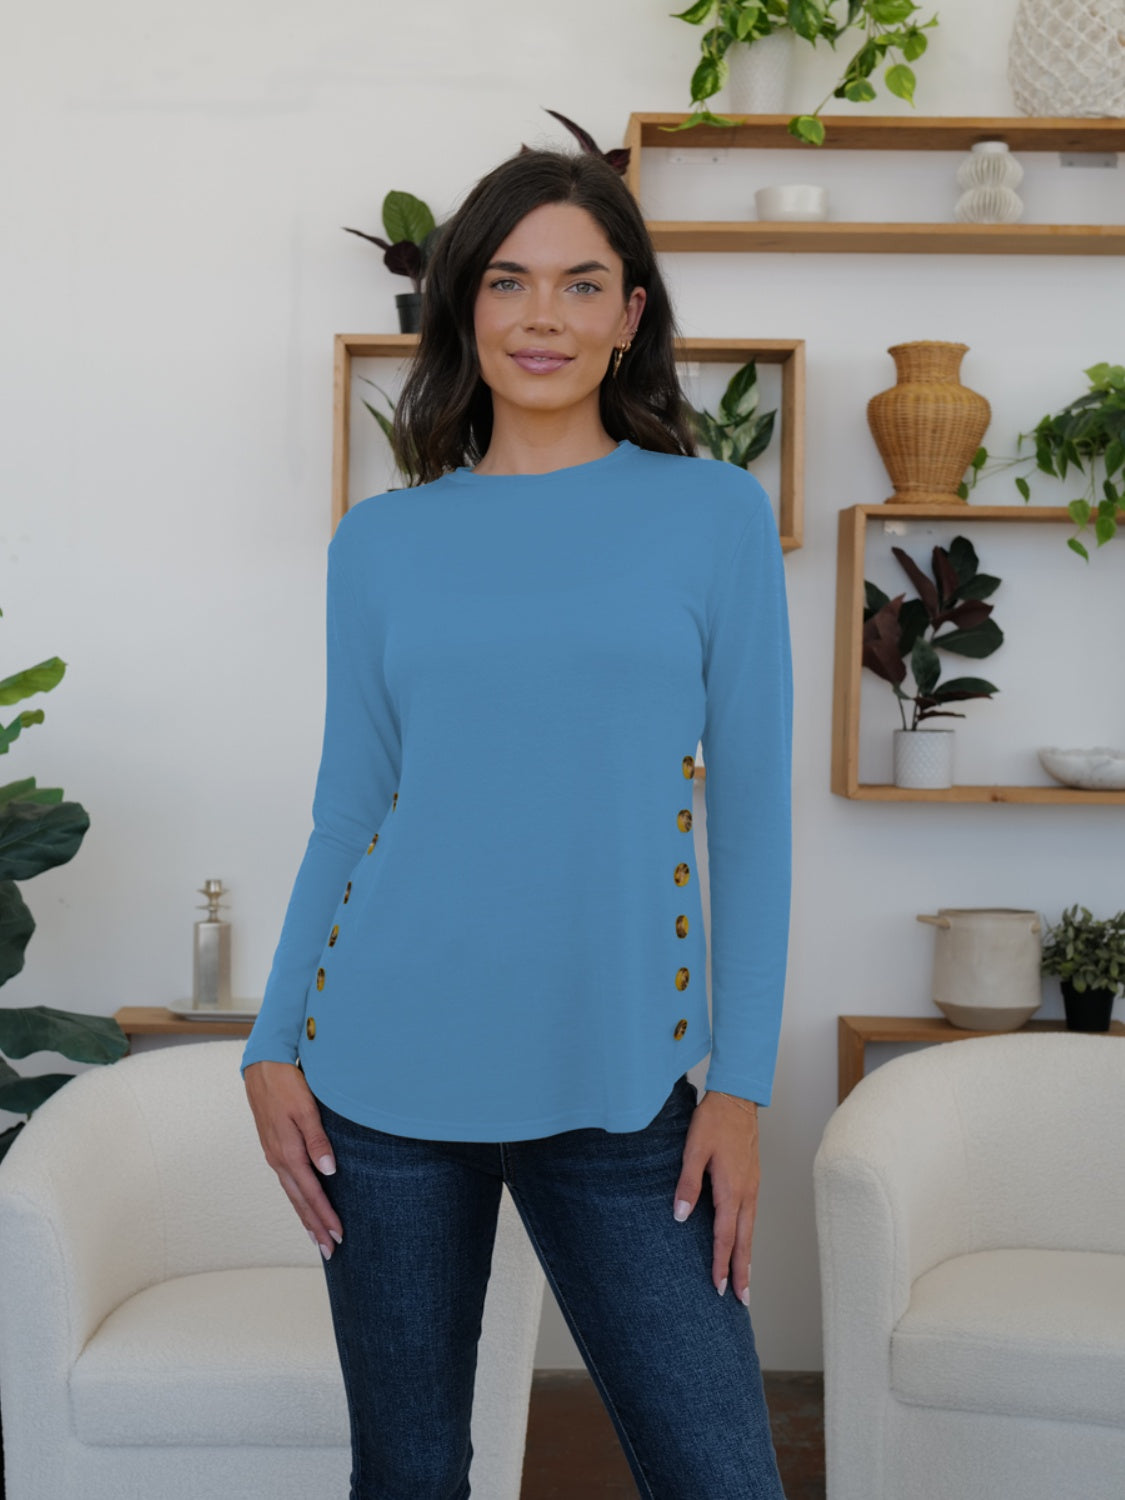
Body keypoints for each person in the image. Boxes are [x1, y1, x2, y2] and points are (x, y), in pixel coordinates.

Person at [241, 146, 793, 1500]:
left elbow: (755, 817)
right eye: (507, 281)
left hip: (621, 1080)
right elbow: (350, 808)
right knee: (410, 1476)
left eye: (581, 284)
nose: (542, 315)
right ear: (463, 307)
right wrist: (269, 1040)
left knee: (719, 1474)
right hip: (379, 1082)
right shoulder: (380, 543)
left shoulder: (713, 515)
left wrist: (739, 1087)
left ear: (630, 315)